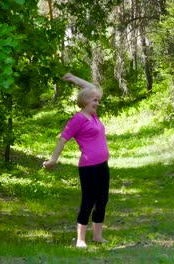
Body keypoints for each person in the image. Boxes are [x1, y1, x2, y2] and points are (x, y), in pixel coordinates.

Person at [43, 73, 110, 248]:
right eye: (94, 100)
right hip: (89, 168)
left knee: (102, 200)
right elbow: (62, 140)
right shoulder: (78, 119)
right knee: (88, 201)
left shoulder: (93, 116)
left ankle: (97, 236)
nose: (97, 103)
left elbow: (93, 88)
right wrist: (53, 160)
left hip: (103, 165)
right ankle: (80, 240)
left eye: (97, 100)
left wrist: (74, 79)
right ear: (85, 101)